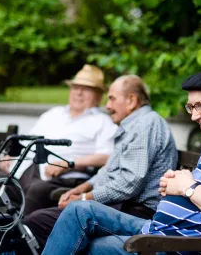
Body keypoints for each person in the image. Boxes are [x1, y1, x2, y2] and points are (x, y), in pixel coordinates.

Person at [41, 67, 201, 255]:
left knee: (90, 247)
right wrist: (181, 185)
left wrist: (188, 188)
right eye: (191, 107)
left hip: (179, 246)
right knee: (78, 210)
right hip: (162, 231)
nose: (194, 116)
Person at [23, 75, 178, 250]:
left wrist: (84, 198)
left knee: (38, 222)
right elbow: (108, 170)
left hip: (136, 210)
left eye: (112, 99)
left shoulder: (146, 125)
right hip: (120, 205)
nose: (108, 106)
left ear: (131, 100)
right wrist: (82, 188)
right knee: (38, 219)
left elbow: (129, 183)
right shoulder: (132, 126)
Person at [0, 64, 117, 214]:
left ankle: (23, 235)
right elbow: (28, 142)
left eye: (86, 89)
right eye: (76, 87)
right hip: (27, 171)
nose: (79, 93)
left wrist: (70, 164)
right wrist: (10, 157)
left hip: (65, 179)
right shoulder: (53, 114)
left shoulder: (103, 121)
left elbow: (108, 157)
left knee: (37, 190)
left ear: (99, 96)